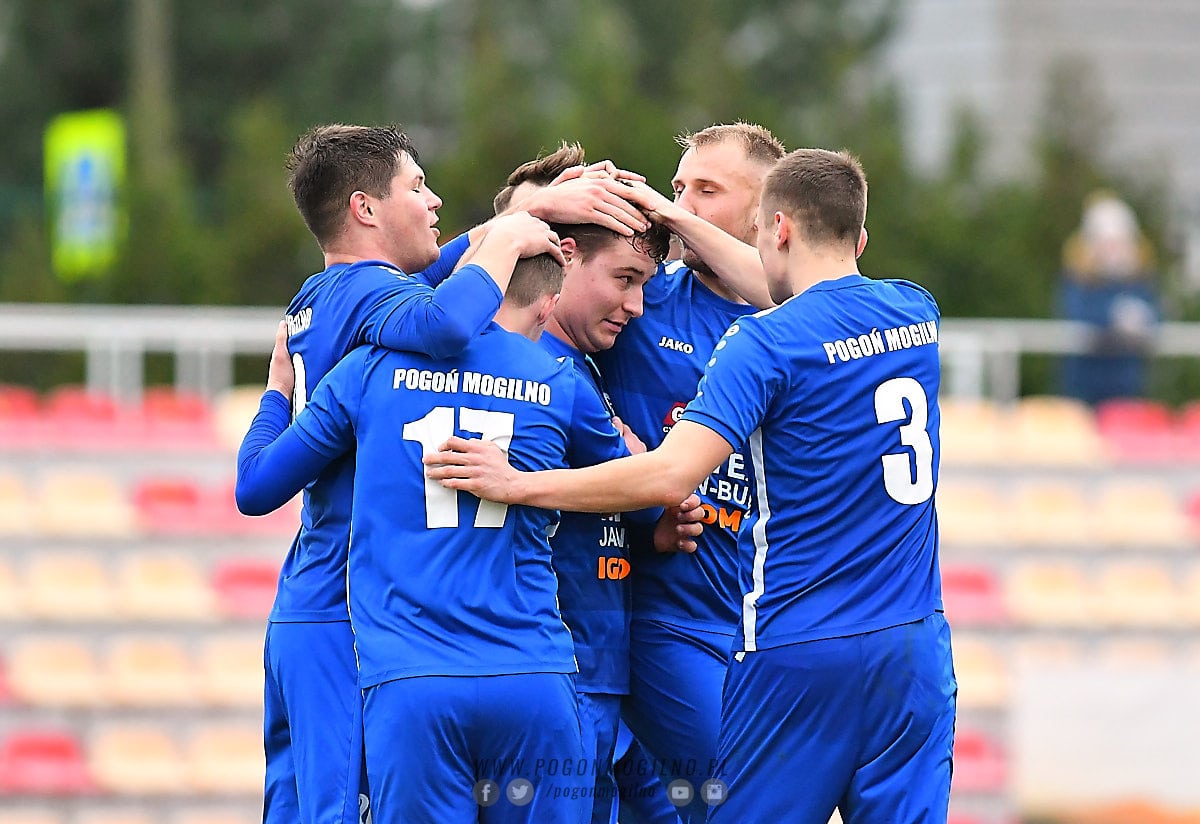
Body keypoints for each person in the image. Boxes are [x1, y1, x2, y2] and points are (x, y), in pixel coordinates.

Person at [427, 148, 957, 824]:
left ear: (776, 227)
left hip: (801, 643)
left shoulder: (763, 342)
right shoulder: (915, 313)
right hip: (913, 643)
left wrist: (519, 483)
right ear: (859, 239)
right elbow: (799, 291)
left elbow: (672, 472)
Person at [255, 122, 643, 824]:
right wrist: (518, 224)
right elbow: (447, 321)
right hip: (355, 615)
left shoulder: (331, 298)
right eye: (418, 185)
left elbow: (256, 484)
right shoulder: (383, 305)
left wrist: (277, 394)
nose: (434, 201)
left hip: (312, 597)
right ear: (365, 209)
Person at [592, 121, 784, 823]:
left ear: (767, 213)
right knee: (742, 800)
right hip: (667, 612)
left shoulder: (797, 320)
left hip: (769, 620)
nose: (679, 205)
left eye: (706, 190)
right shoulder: (643, 300)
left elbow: (784, 291)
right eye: (677, 188)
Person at [537, 217, 705, 824]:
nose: (636, 305)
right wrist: (648, 477)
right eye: (624, 279)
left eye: (644, 285)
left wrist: (648, 529)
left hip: (600, 662)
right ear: (567, 258)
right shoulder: (547, 370)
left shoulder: (584, 366)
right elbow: (656, 480)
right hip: (568, 665)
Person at [1057, 190, 1161, 406]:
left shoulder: (1139, 282)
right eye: (1107, 243)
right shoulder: (1078, 280)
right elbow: (1076, 314)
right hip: (1083, 387)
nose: (1113, 251)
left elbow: (1158, 316)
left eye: (1119, 243)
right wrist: (1113, 315)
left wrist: (1144, 318)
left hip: (1127, 388)